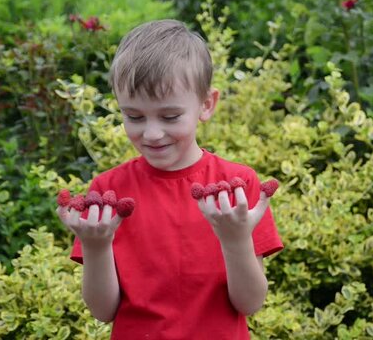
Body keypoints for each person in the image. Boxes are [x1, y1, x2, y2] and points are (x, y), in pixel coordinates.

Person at [56, 19, 283, 339]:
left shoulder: (237, 187)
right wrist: (96, 246)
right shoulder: (108, 192)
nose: (151, 133)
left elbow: (250, 302)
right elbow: (103, 311)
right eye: (133, 116)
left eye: (170, 116)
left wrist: (235, 241)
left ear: (206, 105)